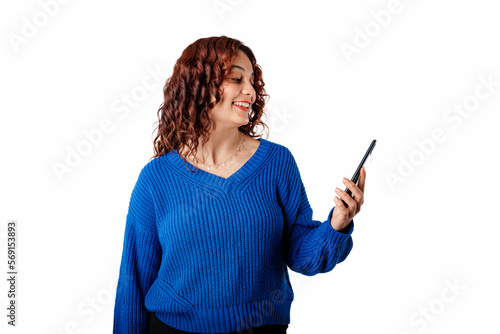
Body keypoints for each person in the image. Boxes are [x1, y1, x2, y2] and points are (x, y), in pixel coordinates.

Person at [112, 36, 366, 334]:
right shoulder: (156, 178)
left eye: (252, 81)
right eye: (236, 78)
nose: (251, 91)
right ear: (199, 85)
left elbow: (301, 255)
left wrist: (336, 225)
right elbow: (134, 280)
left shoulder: (277, 163)